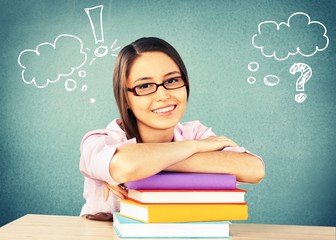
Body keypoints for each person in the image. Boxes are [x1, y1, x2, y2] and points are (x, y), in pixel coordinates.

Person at [79, 37, 265, 220]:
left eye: (172, 80)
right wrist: (194, 148)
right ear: (125, 98)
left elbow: (254, 169)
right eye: (144, 86)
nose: (163, 95)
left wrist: (143, 166)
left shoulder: (195, 133)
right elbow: (126, 166)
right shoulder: (98, 142)